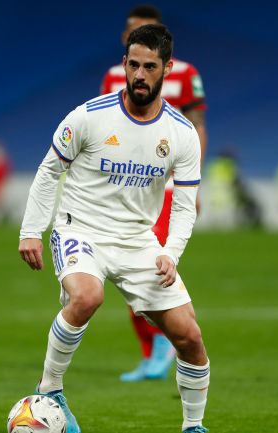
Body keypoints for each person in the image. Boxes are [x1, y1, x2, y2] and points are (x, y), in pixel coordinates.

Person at [19, 25, 209, 433]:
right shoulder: (88, 116)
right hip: (80, 229)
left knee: (190, 337)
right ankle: (50, 389)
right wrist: (31, 230)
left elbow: (184, 201)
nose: (140, 75)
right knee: (87, 297)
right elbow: (49, 172)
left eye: (150, 67)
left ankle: (193, 427)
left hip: (138, 241)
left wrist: (170, 253)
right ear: (124, 64)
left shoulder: (181, 133)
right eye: (134, 65)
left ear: (167, 70)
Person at [100, 4, 208, 382]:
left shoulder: (186, 74)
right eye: (134, 30)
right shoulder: (114, 76)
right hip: (125, 189)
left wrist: (192, 183)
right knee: (125, 271)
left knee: (148, 266)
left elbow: (196, 127)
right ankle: (153, 351)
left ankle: (164, 344)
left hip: (166, 186)